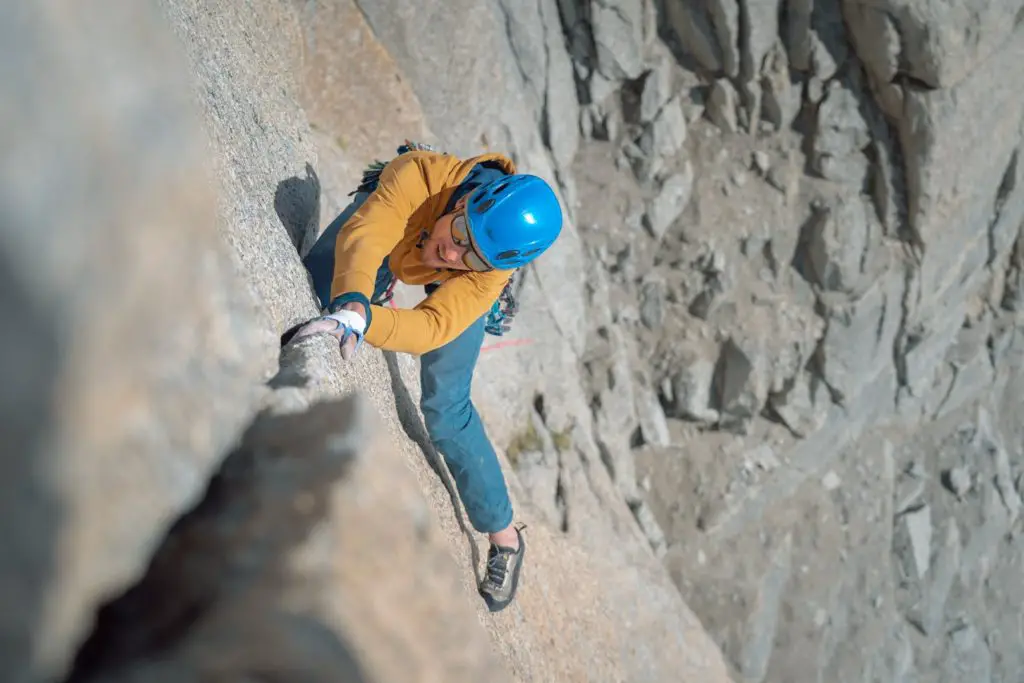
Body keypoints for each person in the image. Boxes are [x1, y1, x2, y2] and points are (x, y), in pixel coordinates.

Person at [292, 143, 563, 612]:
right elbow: (370, 229)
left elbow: (432, 328)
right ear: (462, 202)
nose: (454, 252)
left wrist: (366, 322)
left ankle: (505, 538)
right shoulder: (419, 175)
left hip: (456, 289)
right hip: (402, 228)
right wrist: (354, 298)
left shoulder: (486, 272)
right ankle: (382, 281)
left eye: (473, 255)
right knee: (326, 286)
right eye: (460, 233)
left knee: (446, 408)